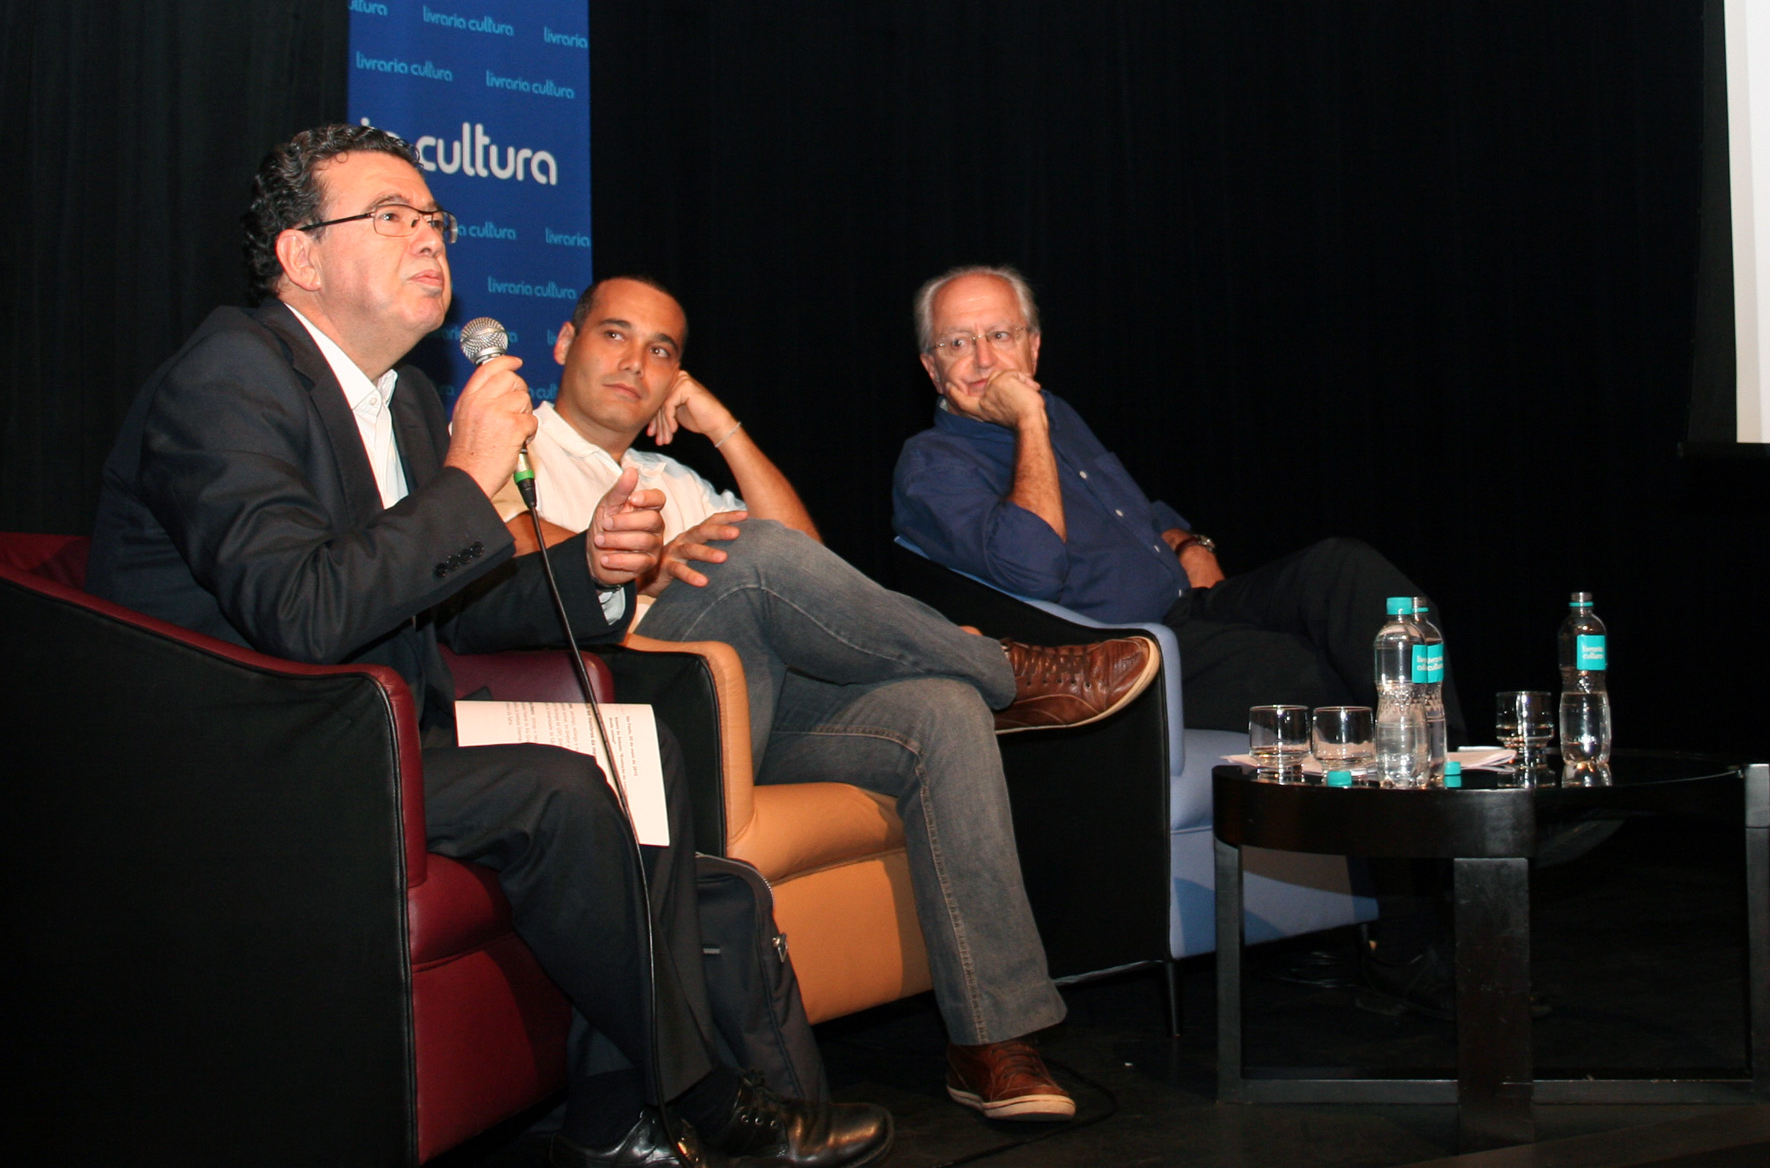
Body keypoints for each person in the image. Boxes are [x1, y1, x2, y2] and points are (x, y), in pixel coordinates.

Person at [88, 125, 891, 1168]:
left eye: (434, 218)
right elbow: (299, 608)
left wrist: (592, 568)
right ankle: (704, 1096)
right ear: (300, 255)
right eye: (391, 217)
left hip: (385, 733)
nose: (430, 237)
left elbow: (453, 609)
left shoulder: (409, 399)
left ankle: (614, 1121)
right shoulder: (229, 377)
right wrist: (471, 481)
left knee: (636, 747)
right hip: (261, 751)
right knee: (557, 791)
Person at [493, 273, 1157, 1121]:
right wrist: (644, 561)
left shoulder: (670, 474)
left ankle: (991, 1039)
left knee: (940, 711)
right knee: (753, 560)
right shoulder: (513, 441)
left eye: (662, 350)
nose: (636, 363)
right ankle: (1005, 670)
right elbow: (504, 551)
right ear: (564, 342)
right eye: (614, 335)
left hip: (748, 713)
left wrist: (723, 428)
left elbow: (807, 563)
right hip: (630, 712)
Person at [890, 265, 1468, 1017]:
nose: (983, 359)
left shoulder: (1061, 413)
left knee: (1350, 574)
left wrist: (1187, 539)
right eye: (958, 343)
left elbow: (1131, 507)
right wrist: (1027, 423)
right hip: (1127, 657)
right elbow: (1032, 564)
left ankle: (1466, 786)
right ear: (931, 366)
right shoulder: (933, 465)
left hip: (1190, 608)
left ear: (1033, 345)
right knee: (1310, 671)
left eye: (1000, 335)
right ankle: (1412, 931)